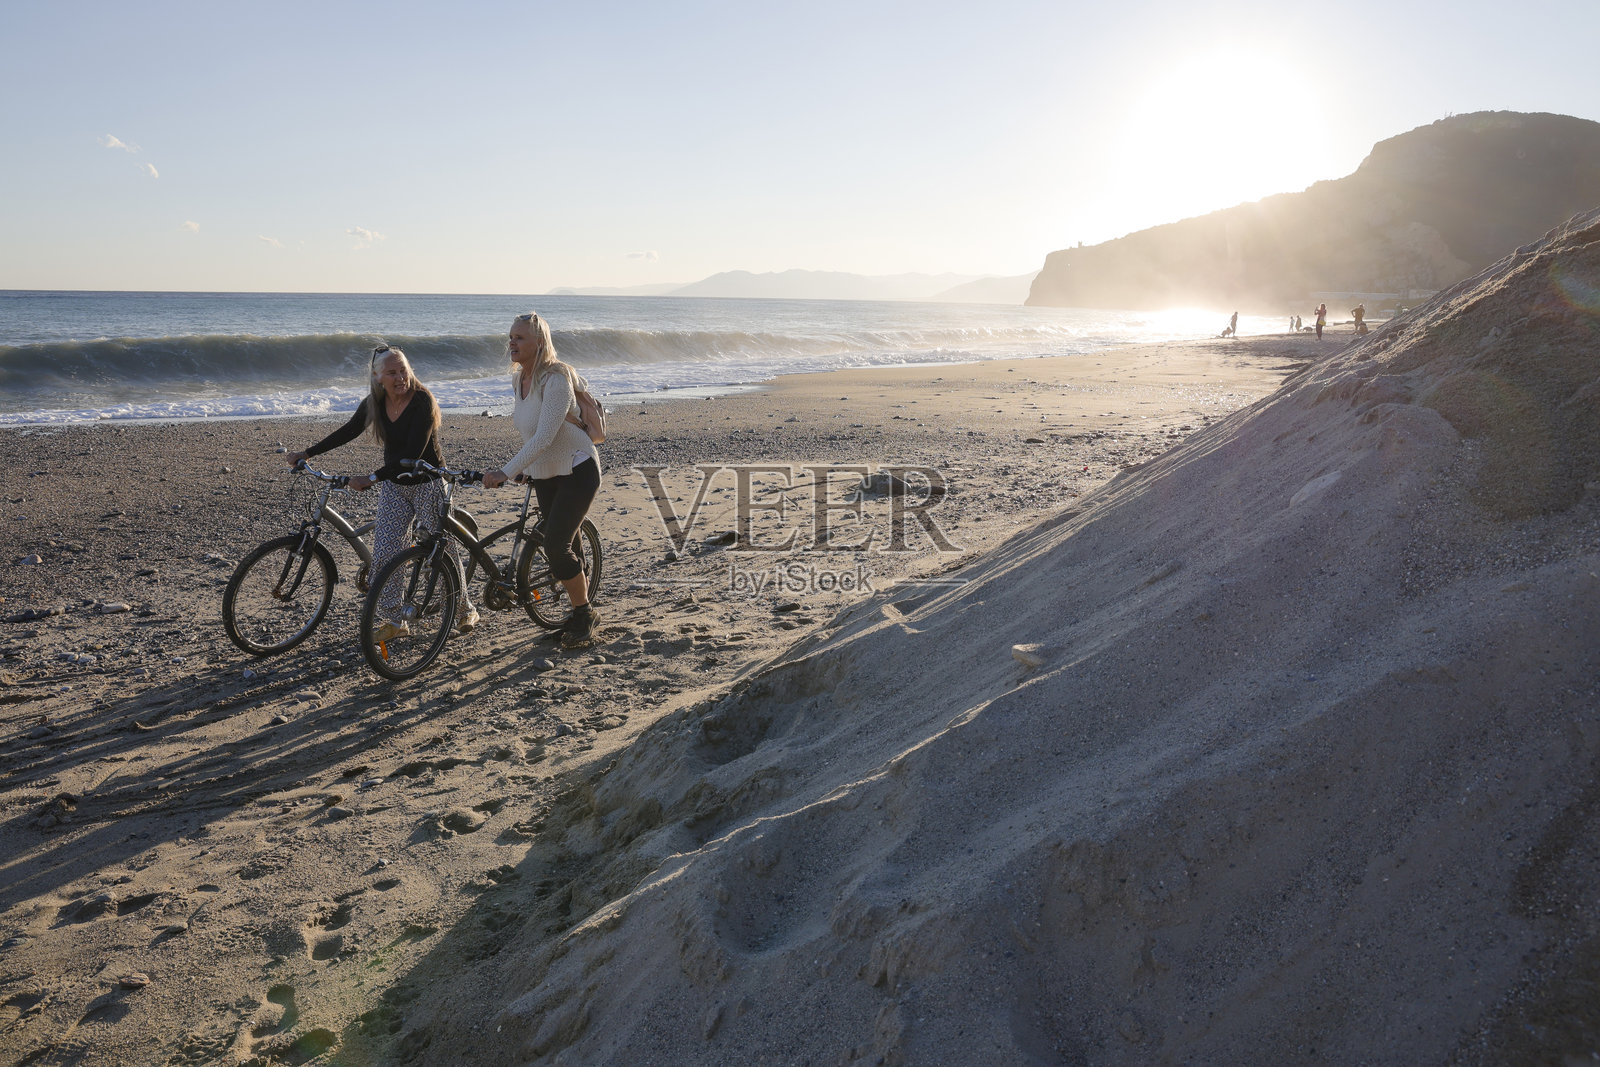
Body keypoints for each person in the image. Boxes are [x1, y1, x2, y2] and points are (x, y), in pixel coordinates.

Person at [286, 345, 479, 640]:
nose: (400, 377)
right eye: (392, 372)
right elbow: (349, 430)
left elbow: (412, 456)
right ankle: (395, 620)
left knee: (444, 550)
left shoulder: (422, 401)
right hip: (395, 487)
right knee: (387, 552)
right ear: (378, 377)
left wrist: (373, 477)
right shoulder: (375, 402)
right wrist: (308, 452)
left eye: (403, 369)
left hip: (427, 483)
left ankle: (465, 608)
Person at [481, 312, 601, 648]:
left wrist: (506, 470)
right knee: (566, 546)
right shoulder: (519, 381)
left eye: (520, 338)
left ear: (539, 342)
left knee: (554, 544)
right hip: (547, 474)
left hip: (578, 469)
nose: (512, 343)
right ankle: (578, 611)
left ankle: (584, 615)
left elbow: (547, 435)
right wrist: (524, 467)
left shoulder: (556, 379)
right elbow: (530, 435)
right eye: (510, 337)